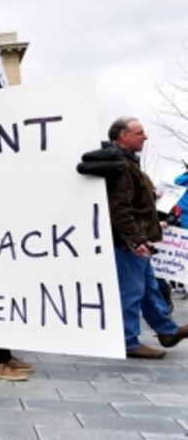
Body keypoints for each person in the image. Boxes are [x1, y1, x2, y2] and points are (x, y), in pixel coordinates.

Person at [104, 116, 188, 359]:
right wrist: (135, 241)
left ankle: (167, 331)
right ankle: (128, 342)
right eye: (139, 133)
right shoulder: (120, 164)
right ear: (122, 136)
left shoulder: (128, 163)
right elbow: (119, 208)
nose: (145, 137)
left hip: (137, 241)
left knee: (150, 289)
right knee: (132, 292)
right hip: (129, 243)